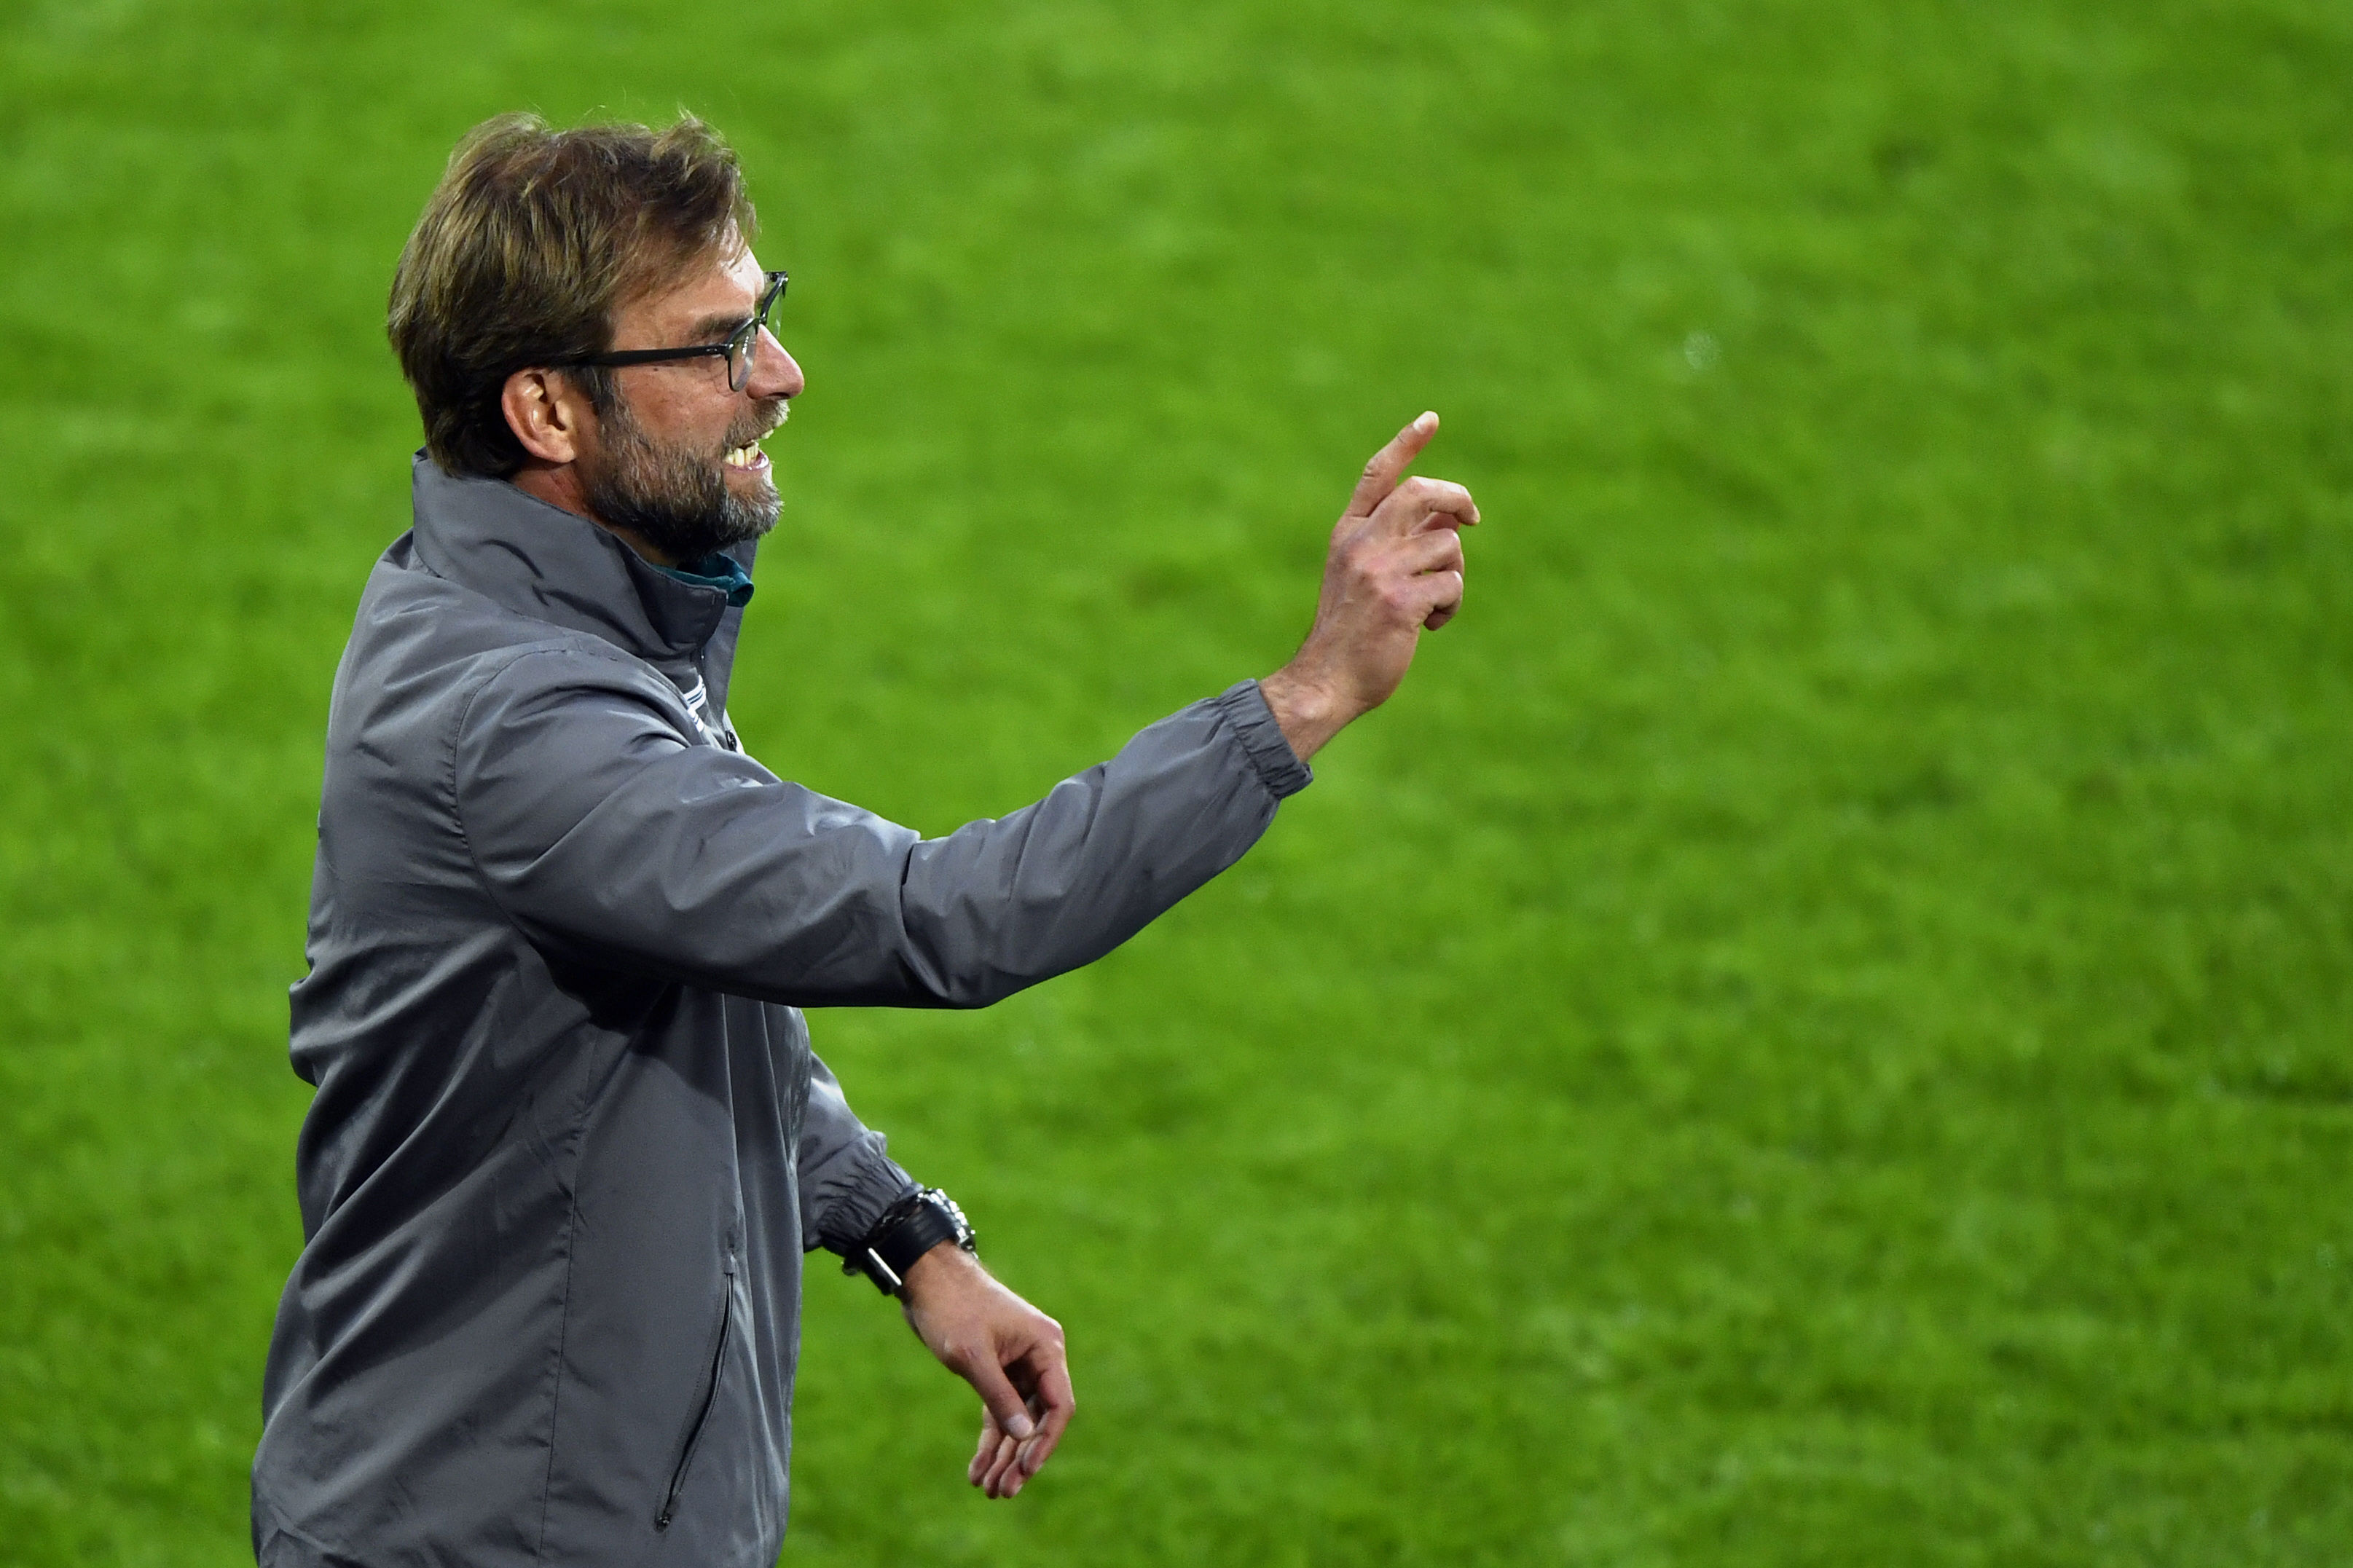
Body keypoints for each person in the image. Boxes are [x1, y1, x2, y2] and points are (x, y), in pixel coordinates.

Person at [251, 111, 1477, 1568]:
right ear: (548, 414)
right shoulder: (525, 724)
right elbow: (937, 917)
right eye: (714, 345)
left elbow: (678, 982)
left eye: (764, 314)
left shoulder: (569, 608)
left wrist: (902, 1235)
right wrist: (1310, 695)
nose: (778, 374)